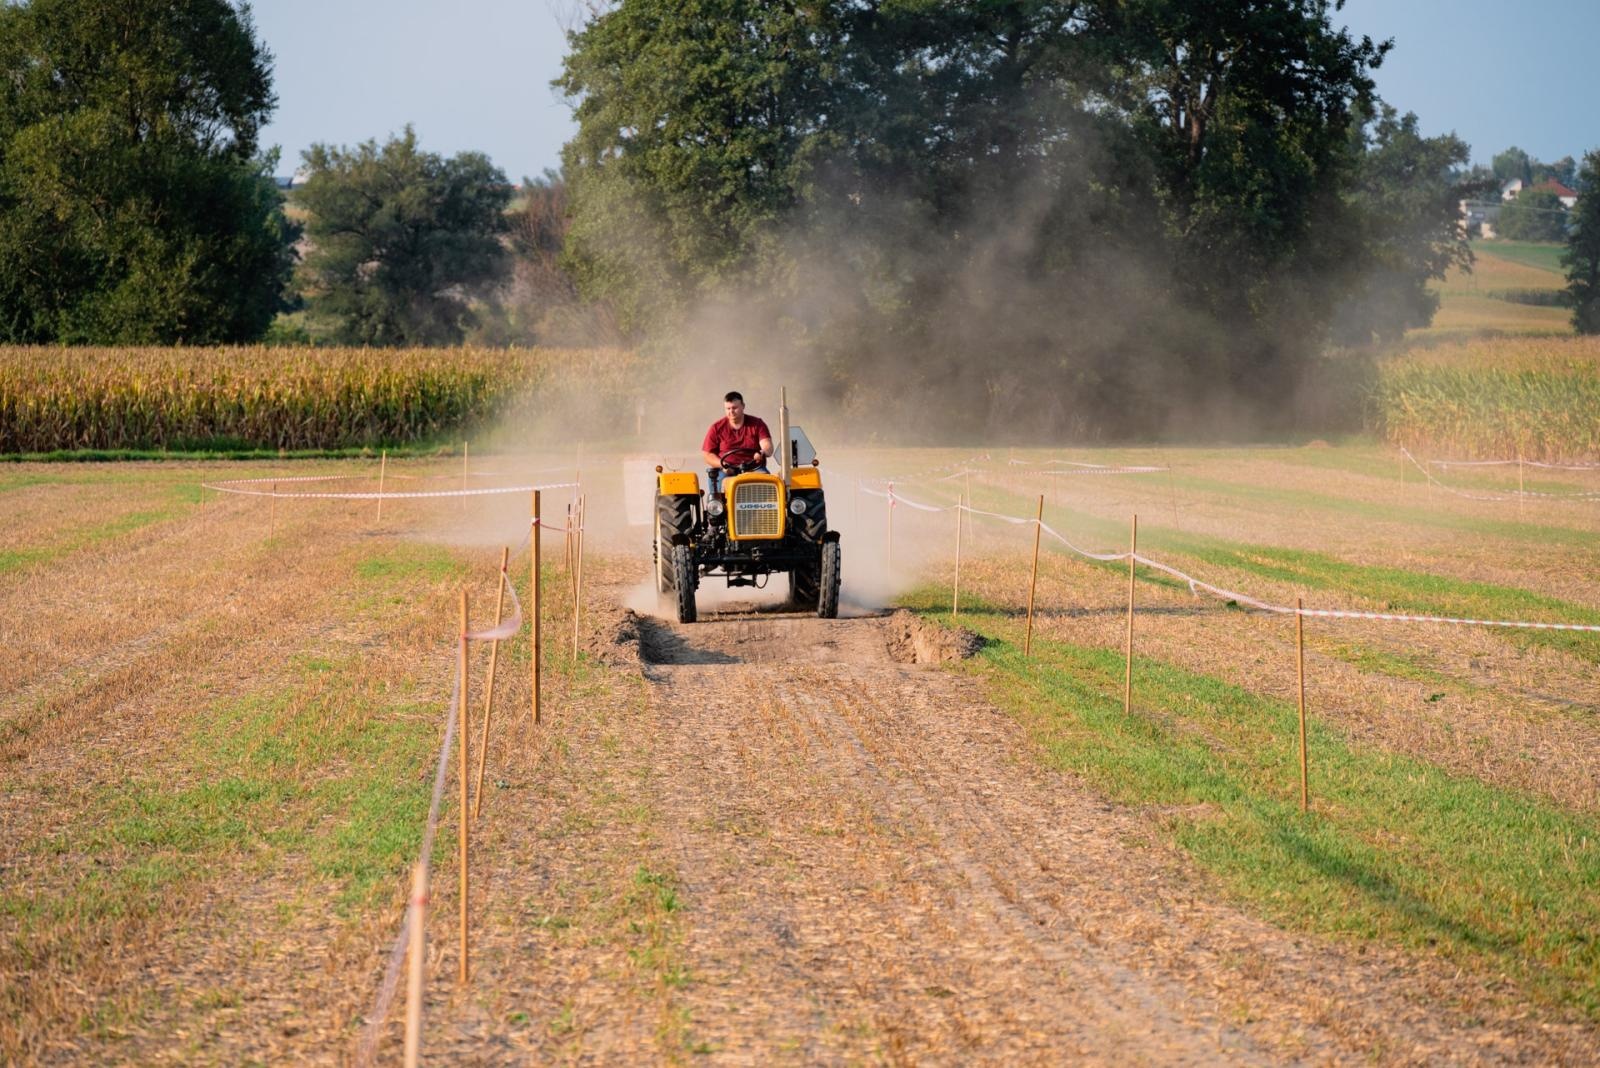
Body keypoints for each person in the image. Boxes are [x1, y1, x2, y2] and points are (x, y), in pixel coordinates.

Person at [701, 391, 773, 483]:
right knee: (715, 481)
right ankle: (716, 498)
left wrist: (762, 452)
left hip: (754, 468)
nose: (731, 411)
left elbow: (768, 446)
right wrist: (722, 464)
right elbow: (707, 455)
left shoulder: (757, 424)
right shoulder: (716, 428)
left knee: (768, 481)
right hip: (727, 470)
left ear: (743, 406)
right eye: (728, 408)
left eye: (734, 408)